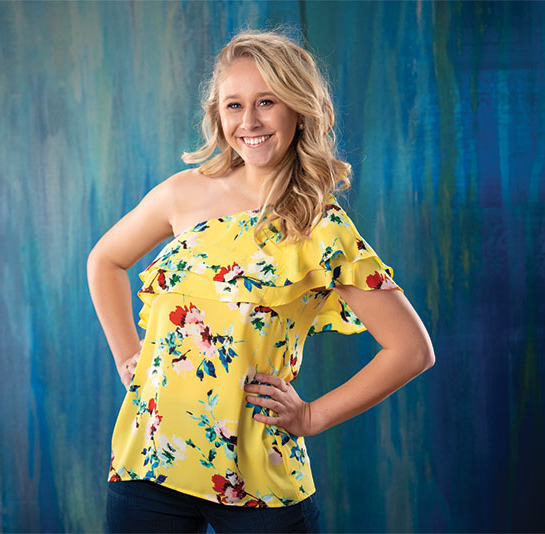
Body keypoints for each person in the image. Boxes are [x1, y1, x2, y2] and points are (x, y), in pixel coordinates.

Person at [87, 28, 435, 534]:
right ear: (218, 115)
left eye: (266, 102)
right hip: (148, 463)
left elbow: (412, 350)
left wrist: (311, 417)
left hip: (257, 481)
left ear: (299, 110)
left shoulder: (323, 227)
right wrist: (128, 356)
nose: (248, 122)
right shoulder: (183, 193)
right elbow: (105, 261)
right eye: (234, 105)